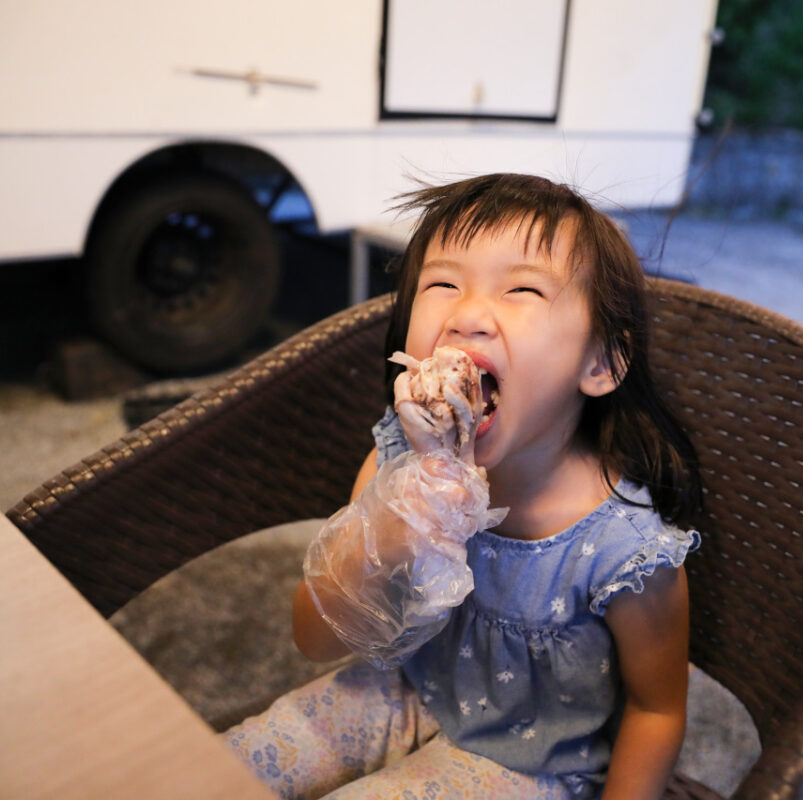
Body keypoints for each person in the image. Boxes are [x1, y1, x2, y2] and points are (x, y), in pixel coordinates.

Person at [222, 173, 703, 799]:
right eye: (443, 283)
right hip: (403, 691)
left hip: (532, 764)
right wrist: (386, 536)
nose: (467, 314)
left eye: (523, 288)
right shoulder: (395, 461)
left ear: (601, 362)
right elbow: (314, 639)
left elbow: (657, 711)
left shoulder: (625, 550)